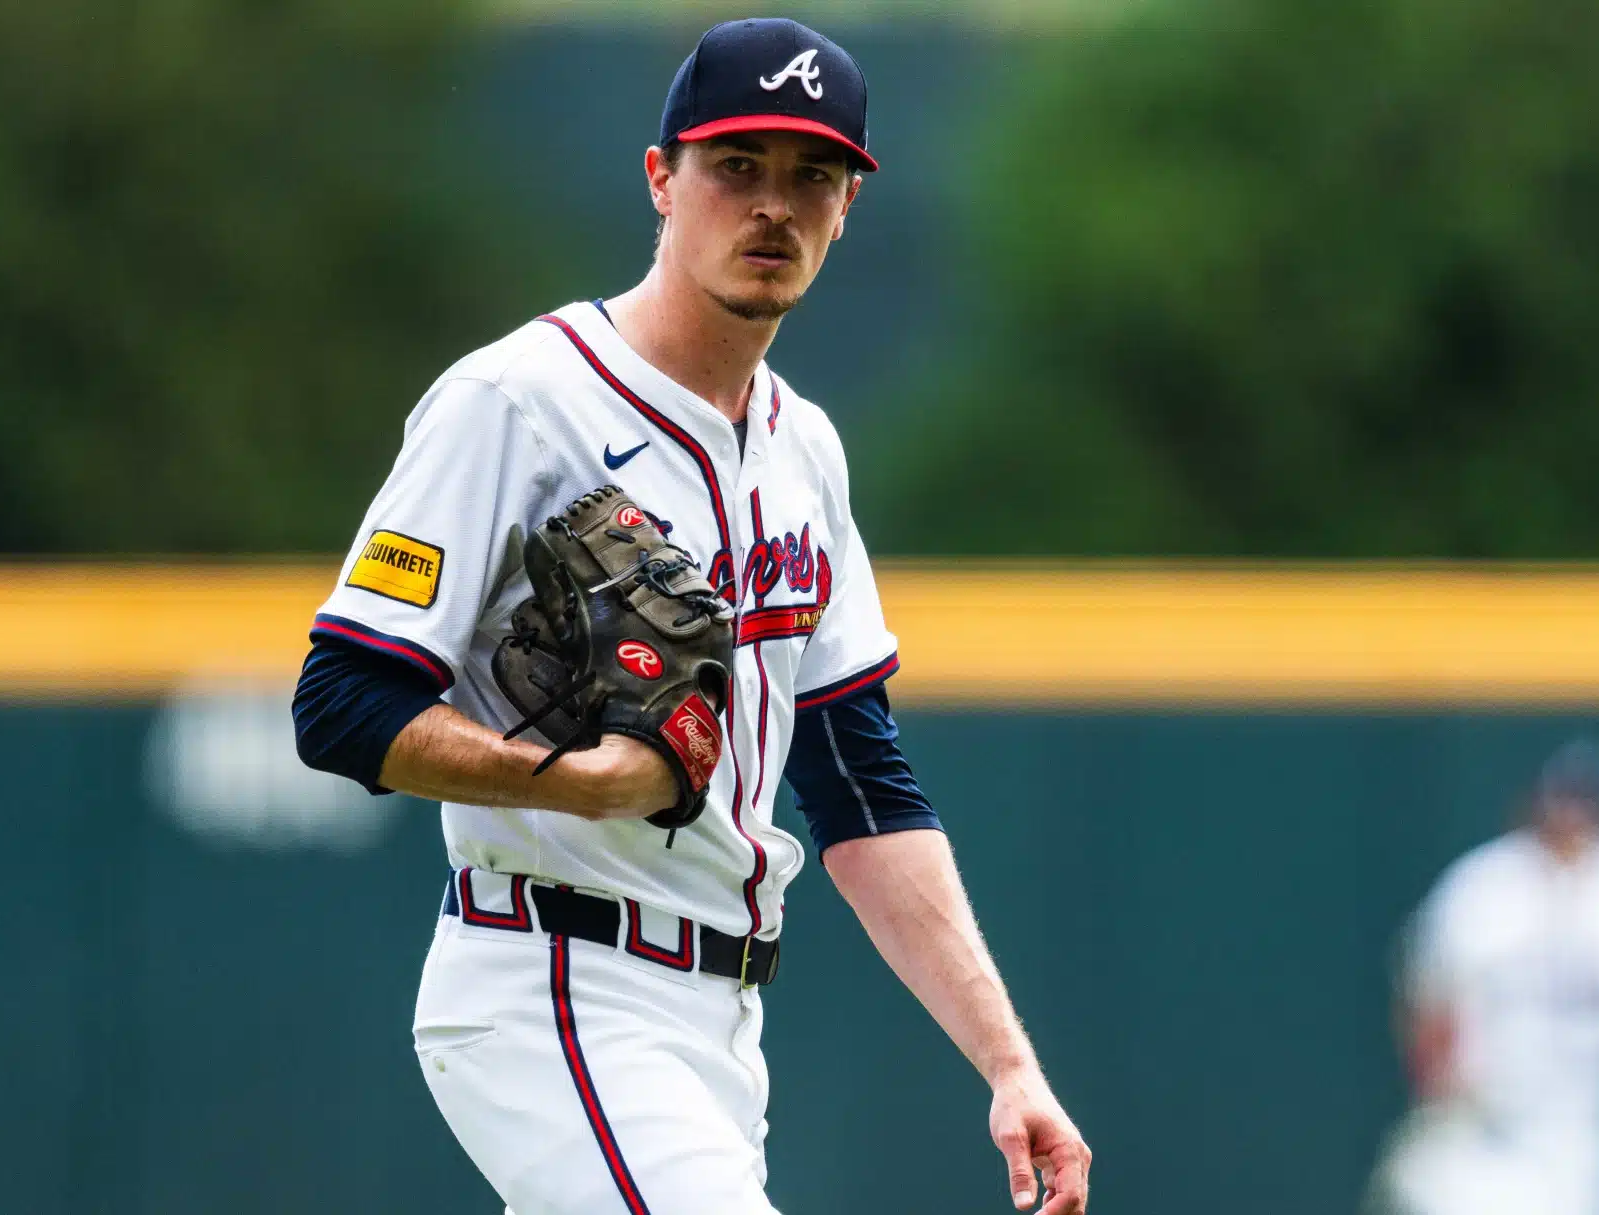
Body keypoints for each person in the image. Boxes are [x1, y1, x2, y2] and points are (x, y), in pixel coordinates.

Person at [290, 18, 1089, 1215]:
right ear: (662, 179)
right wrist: (572, 782)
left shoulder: (804, 449)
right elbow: (339, 704)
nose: (773, 206)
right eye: (737, 167)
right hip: (554, 981)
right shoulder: (518, 402)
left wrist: (1008, 1063)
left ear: (847, 210)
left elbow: (857, 777)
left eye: (811, 175)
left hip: (720, 1025)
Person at [1367, 739, 1599, 1215]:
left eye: (1587, 804)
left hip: (1591, 1117)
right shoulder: (1487, 885)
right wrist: (1440, 1077)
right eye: (1565, 803)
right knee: (1425, 1187)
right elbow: (1428, 992)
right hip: (1490, 1116)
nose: (1574, 820)